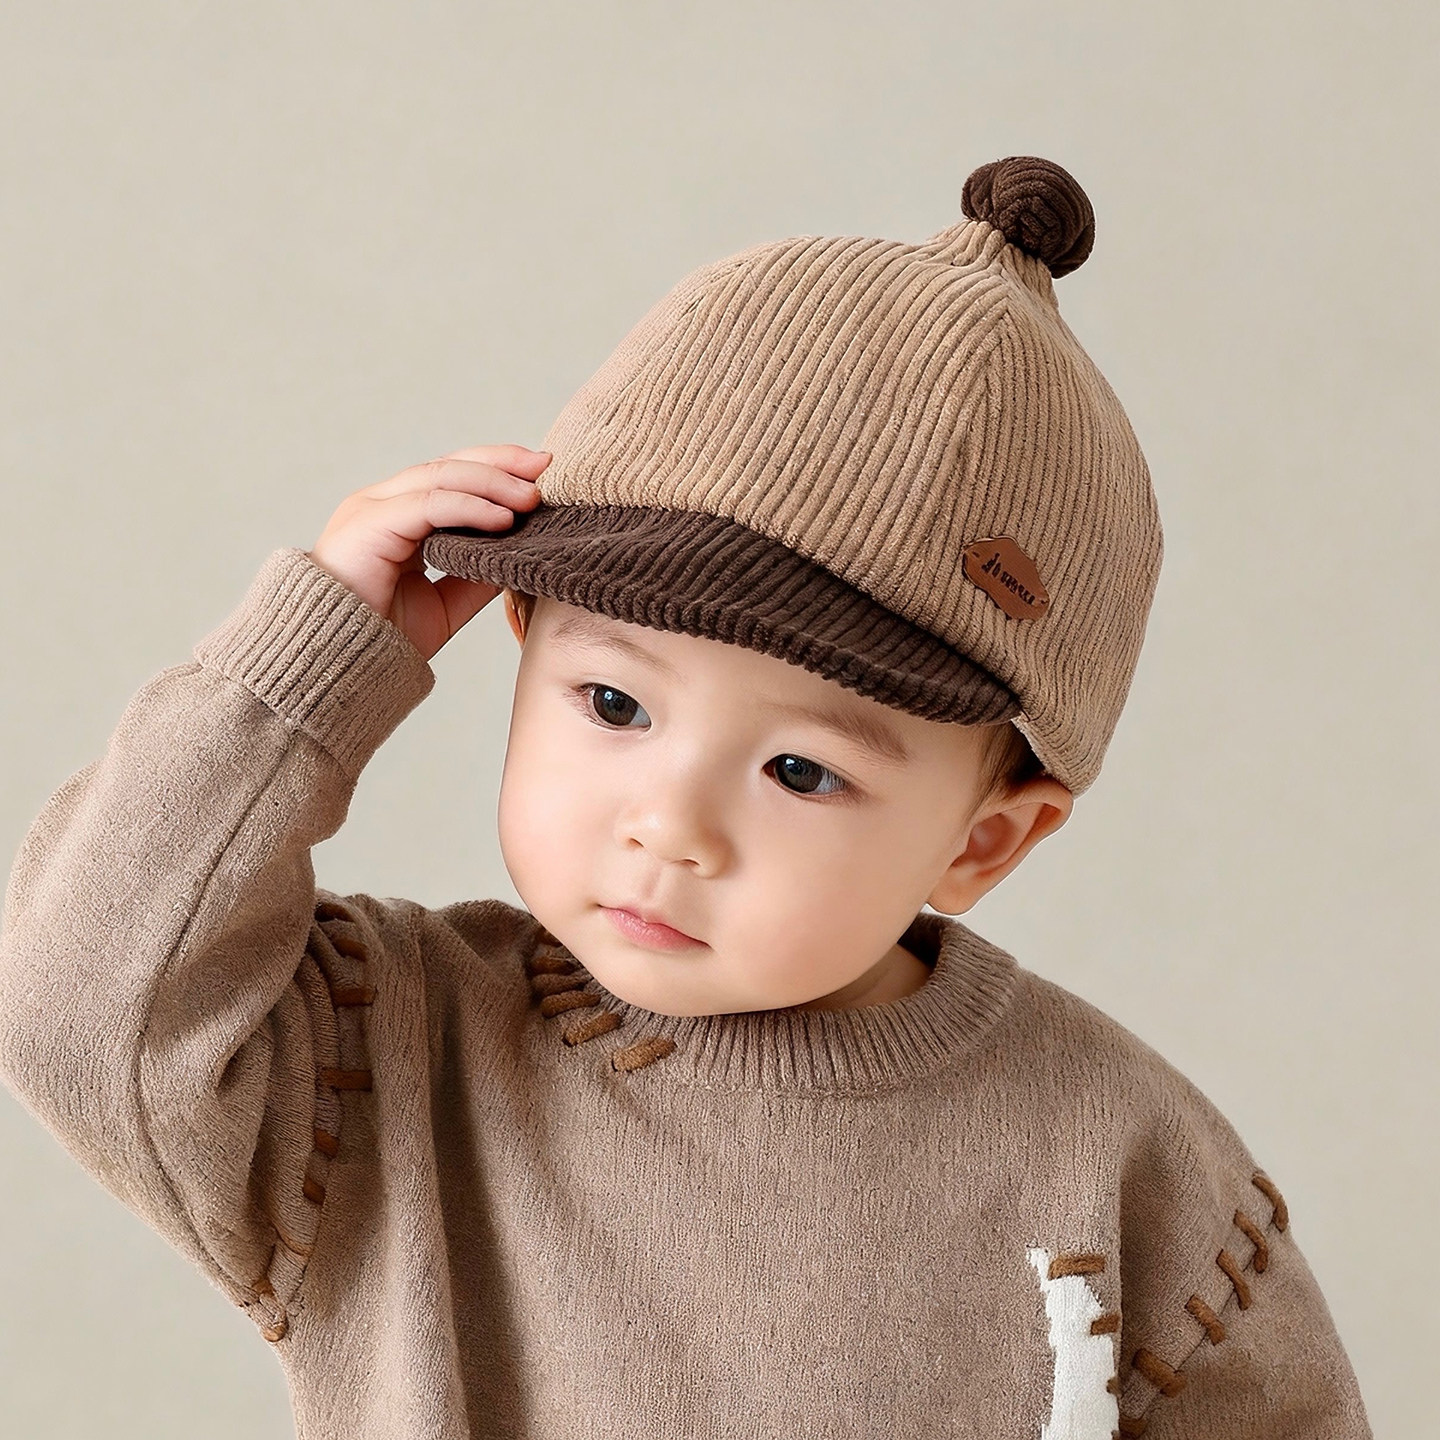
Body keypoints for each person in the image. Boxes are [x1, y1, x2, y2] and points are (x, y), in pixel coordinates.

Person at [0, 156, 1371, 1438]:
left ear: (986, 839)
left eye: (801, 772)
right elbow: (79, 1007)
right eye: (614, 705)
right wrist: (307, 673)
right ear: (521, 651)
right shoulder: (388, 1065)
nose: (671, 825)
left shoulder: (1124, 1159)